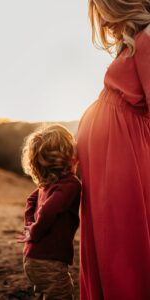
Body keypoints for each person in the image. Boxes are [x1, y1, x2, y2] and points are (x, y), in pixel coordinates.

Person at [76, 0, 150, 299]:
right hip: (110, 152)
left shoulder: (147, 38)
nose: (104, 25)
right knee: (107, 237)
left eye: (104, 15)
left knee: (121, 237)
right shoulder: (135, 40)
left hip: (124, 153)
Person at [17, 124, 82, 300]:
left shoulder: (48, 184)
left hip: (32, 258)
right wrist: (35, 231)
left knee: (45, 293)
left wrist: (30, 225)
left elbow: (31, 201)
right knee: (62, 294)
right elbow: (48, 211)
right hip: (49, 260)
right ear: (68, 155)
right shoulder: (71, 184)